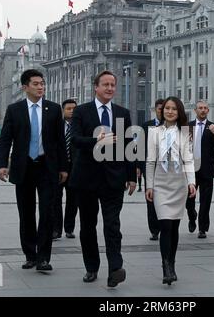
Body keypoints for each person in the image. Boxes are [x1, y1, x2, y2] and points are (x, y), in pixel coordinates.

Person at [69, 70, 136, 288]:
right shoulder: (81, 111)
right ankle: (91, 266)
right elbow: (76, 141)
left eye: (112, 85)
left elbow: (129, 146)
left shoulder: (122, 113)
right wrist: (96, 140)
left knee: (112, 225)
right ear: (95, 87)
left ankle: (115, 268)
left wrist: (132, 175)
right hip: (86, 178)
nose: (109, 88)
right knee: (88, 226)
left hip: (113, 179)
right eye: (105, 84)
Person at [0, 69, 68, 271]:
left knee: (47, 213)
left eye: (42, 84)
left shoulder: (54, 109)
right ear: (25, 87)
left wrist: (63, 167)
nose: (40, 87)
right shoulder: (14, 109)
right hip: (24, 167)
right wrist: (2, 164)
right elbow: (5, 139)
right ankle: (30, 254)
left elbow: (59, 141)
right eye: (36, 84)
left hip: (47, 167)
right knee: (26, 213)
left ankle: (44, 258)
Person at [146, 97, 196, 285]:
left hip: (179, 184)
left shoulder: (184, 133)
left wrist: (192, 182)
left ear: (179, 112)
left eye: (174, 109)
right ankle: (165, 266)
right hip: (160, 184)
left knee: (174, 227)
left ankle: (172, 264)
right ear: (162, 111)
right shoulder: (154, 132)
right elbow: (150, 161)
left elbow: (189, 160)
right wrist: (149, 186)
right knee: (165, 225)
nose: (169, 111)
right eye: (167, 108)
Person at [186, 100, 214, 239]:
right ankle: (192, 216)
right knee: (189, 200)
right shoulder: (187, 127)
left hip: (207, 169)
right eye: (200, 108)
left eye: (205, 108)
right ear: (195, 110)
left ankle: (203, 228)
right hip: (190, 169)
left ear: (208, 110)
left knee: (206, 200)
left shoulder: (213, 127)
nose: (203, 110)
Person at [137, 99, 164, 241]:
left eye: (164, 108)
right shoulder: (146, 126)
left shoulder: (173, 126)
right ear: (155, 110)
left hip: (167, 169)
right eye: (159, 108)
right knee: (151, 198)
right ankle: (154, 229)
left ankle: (164, 225)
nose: (162, 111)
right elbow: (140, 148)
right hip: (149, 167)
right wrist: (138, 167)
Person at [53, 99, 78, 240]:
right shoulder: (56, 125)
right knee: (56, 199)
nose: (72, 111)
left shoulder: (79, 126)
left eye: (74, 108)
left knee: (73, 200)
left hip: (75, 169)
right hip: (59, 168)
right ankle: (56, 229)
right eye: (68, 108)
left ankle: (69, 228)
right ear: (63, 111)